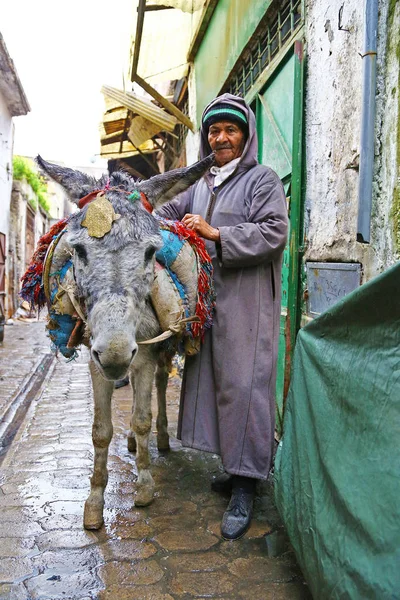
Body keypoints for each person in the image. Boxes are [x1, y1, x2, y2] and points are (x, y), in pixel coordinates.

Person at [157, 93, 288, 540]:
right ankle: (234, 471)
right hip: (209, 303)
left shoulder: (262, 180)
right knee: (215, 384)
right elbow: (169, 212)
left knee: (244, 385)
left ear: (246, 135)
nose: (221, 137)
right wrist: (144, 209)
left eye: (230, 129)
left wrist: (217, 233)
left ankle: (246, 487)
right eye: (214, 130)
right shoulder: (201, 184)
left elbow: (274, 232)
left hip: (246, 301)